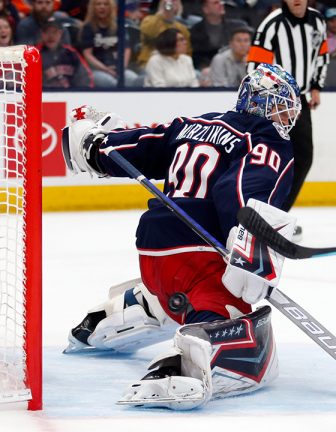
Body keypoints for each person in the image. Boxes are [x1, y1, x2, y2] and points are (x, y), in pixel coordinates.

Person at [60, 63, 301, 410]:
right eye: (282, 104)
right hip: (196, 250)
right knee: (231, 309)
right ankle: (182, 366)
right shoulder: (266, 139)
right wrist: (249, 236)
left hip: (154, 246)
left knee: (178, 295)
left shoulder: (196, 124)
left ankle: (109, 319)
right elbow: (236, 188)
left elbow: (140, 146)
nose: (288, 114)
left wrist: (96, 147)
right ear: (261, 103)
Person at [246, 0, 329, 239]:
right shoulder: (271, 25)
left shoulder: (317, 21)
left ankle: (276, 218)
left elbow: (321, 55)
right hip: (273, 102)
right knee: (268, 159)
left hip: (300, 99)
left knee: (303, 157)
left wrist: (316, 86)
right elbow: (254, 67)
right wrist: (269, 102)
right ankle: (257, 216)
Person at [80, 0, 141, 87]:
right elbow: (88, 55)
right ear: (93, 7)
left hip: (118, 67)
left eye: (106, 4)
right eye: (98, 4)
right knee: (111, 84)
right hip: (97, 69)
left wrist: (122, 67)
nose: (102, 7)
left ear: (111, 7)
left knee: (134, 80)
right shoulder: (88, 28)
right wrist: (105, 69)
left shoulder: (119, 24)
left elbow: (126, 49)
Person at [190, 0, 248, 69]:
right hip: (208, 68)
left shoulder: (236, 27)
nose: (221, 4)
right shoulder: (196, 31)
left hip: (236, 65)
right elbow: (197, 56)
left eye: (221, 2)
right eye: (216, 3)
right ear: (206, 9)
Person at [38, 18, 93, 88]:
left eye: (54, 32)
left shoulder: (71, 53)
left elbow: (85, 78)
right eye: (47, 32)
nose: (51, 36)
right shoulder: (34, 55)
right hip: (45, 96)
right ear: (42, 34)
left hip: (71, 94)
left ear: (60, 33)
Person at [136, 0, 191, 68]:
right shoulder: (148, 21)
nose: (172, 4)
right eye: (170, 1)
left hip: (176, 65)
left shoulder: (182, 28)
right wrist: (162, 13)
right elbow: (150, 33)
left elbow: (187, 51)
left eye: (175, 1)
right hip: (151, 63)